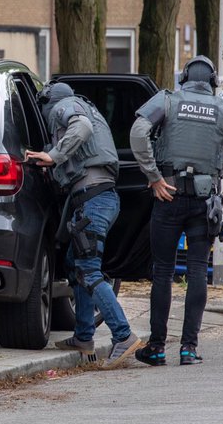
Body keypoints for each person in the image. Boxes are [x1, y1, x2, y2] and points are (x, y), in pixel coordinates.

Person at [129, 55, 223, 367]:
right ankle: (189, 348)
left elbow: (138, 131)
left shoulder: (167, 101)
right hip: (204, 202)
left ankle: (157, 347)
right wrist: (211, 165)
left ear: (185, 78)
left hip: (168, 195)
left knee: (163, 272)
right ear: (213, 81)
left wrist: (153, 176)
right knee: (197, 272)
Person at [26, 82, 144, 369]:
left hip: (94, 201)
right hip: (98, 199)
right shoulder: (90, 109)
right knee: (74, 264)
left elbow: (81, 128)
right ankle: (83, 337)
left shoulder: (65, 107)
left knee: (89, 270)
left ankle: (123, 335)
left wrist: (53, 156)